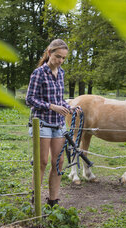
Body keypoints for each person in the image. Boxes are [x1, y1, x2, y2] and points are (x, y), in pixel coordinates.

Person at [26, 39, 78, 207]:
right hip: (41, 123)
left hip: (58, 124)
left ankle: (53, 201)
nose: (60, 61)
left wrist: (67, 107)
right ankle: (36, 200)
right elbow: (30, 99)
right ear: (49, 53)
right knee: (42, 161)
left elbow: (59, 98)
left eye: (63, 58)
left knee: (59, 161)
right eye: (57, 57)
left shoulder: (61, 73)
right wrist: (51, 106)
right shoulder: (38, 73)